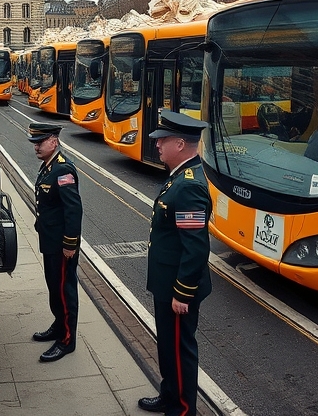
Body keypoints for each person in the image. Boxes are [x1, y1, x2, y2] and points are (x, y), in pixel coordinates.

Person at [139, 111, 212, 415]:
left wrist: (182, 292)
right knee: (168, 347)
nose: (156, 145)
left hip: (178, 290)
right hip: (167, 285)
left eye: (162, 140)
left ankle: (182, 409)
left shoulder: (190, 186)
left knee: (180, 352)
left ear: (180, 143)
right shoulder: (179, 177)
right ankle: (169, 395)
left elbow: (195, 249)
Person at [28, 121, 82, 363]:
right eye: (34, 143)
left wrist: (70, 244)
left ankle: (67, 339)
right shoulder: (48, 167)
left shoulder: (63, 170)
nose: (36, 147)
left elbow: (73, 211)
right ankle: (59, 325)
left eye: (40, 142)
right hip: (50, 241)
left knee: (64, 290)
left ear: (54, 141)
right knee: (54, 287)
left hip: (62, 245)